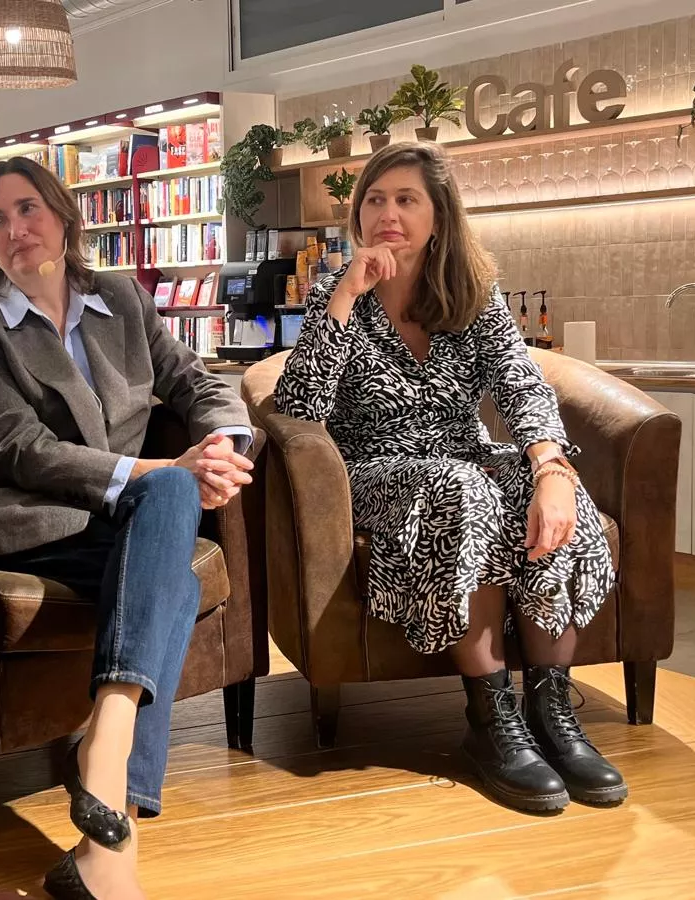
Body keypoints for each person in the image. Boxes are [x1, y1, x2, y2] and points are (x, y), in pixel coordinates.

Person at [273, 142, 624, 813]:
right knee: (460, 490)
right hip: (374, 468)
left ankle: (552, 710)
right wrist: (348, 292)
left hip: (465, 452)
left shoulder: (472, 292)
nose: (388, 213)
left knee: (536, 483)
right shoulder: (335, 292)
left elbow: (521, 381)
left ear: (439, 216)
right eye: (376, 199)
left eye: (407, 200)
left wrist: (551, 464)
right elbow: (300, 410)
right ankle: (491, 720)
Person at [0, 157, 255, 900]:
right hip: (38, 519)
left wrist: (223, 445)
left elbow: (196, 383)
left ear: (63, 214)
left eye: (27, 209)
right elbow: (23, 449)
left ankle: (106, 814)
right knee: (171, 561)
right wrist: (161, 472)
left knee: (174, 504)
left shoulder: (120, 298)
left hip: (134, 519)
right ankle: (110, 779)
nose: (15, 229)